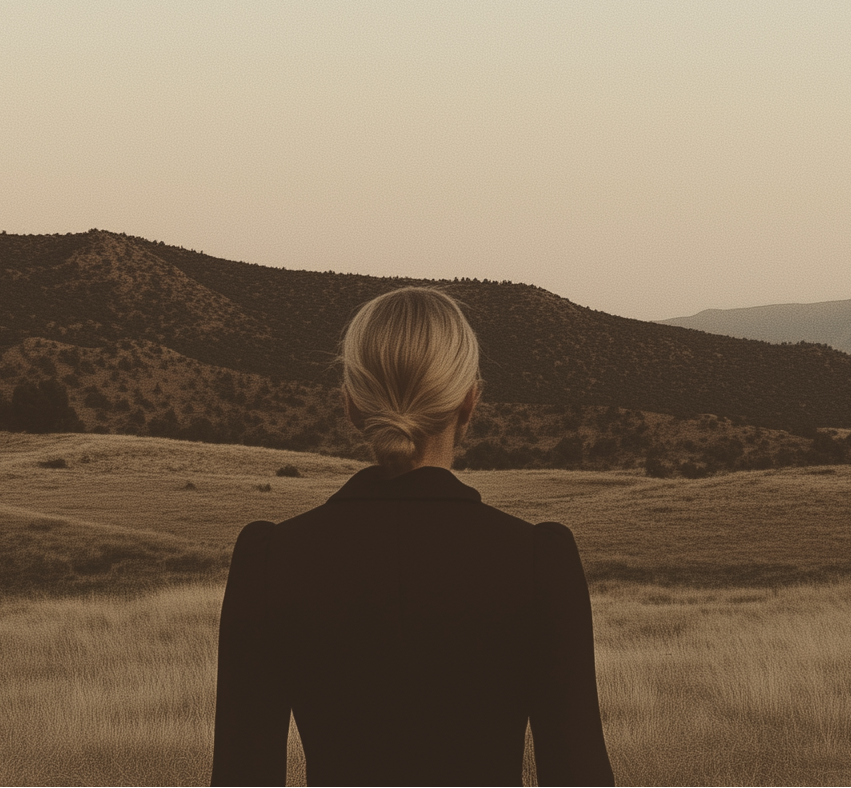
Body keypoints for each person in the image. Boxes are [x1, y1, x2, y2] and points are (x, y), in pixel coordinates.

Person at [211, 286, 614, 786]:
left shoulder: (270, 560)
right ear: (470, 401)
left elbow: (240, 774)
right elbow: (579, 774)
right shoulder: (538, 560)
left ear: (352, 405)